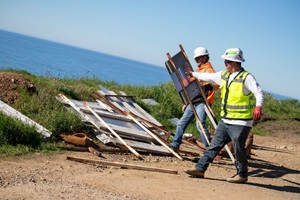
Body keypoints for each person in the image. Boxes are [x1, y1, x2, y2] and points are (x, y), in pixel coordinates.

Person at [184, 47, 264, 183]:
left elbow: (259, 92)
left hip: (241, 121)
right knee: (214, 145)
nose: (225, 63)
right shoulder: (224, 75)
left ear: (234, 62)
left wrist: (258, 107)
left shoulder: (246, 77)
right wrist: (194, 74)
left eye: (227, 61)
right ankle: (200, 168)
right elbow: (208, 77)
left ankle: (242, 174)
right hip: (226, 119)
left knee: (238, 148)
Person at [172, 47, 217, 151]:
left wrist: (208, 86)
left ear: (205, 57)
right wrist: (187, 102)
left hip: (203, 102)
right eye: (195, 58)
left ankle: (209, 150)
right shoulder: (198, 71)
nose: (196, 60)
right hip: (194, 101)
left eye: (198, 58)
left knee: (200, 124)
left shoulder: (209, 71)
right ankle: (175, 144)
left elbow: (216, 85)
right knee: (182, 123)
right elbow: (193, 89)